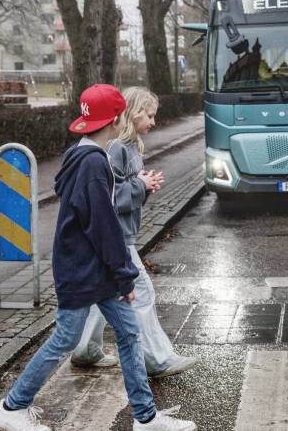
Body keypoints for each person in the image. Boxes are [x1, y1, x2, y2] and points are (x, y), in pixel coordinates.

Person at [0, 84, 196, 431]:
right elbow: (103, 226)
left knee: (130, 333)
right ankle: (13, 405)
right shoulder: (92, 165)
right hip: (83, 270)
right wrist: (124, 274)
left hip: (91, 269)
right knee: (65, 339)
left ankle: (145, 418)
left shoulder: (83, 156)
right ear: (116, 119)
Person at [71, 87, 197, 379]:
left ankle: (85, 351)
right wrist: (141, 185)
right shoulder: (116, 148)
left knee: (101, 294)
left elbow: (122, 192)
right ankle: (156, 360)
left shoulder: (127, 146)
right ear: (133, 113)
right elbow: (107, 199)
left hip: (112, 236)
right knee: (141, 293)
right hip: (114, 238)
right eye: (149, 115)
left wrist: (143, 185)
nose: (153, 122)